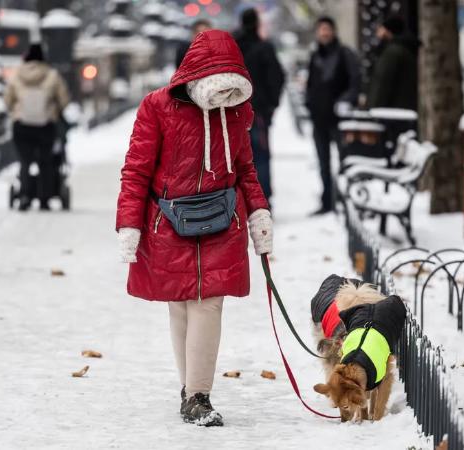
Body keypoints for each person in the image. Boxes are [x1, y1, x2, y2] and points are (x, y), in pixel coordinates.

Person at [115, 30, 273, 427]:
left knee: (208, 303)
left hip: (223, 220)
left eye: (232, 89)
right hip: (169, 221)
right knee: (182, 303)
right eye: (218, 87)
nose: (225, 97)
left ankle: (199, 395)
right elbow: (136, 170)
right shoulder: (157, 107)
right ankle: (190, 391)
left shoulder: (237, 111)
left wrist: (259, 215)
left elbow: (246, 169)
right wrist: (129, 223)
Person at [305, 16, 361, 215]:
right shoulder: (315, 56)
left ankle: (348, 202)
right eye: (321, 29)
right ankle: (327, 201)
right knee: (323, 163)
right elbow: (311, 84)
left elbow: (355, 82)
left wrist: (346, 100)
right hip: (319, 119)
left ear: (334, 31)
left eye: (327, 29)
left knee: (346, 161)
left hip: (340, 120)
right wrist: (309, 105)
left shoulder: (345, 54)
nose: (324, 33)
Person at [4, 43, 70, 211]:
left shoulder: (17, 74)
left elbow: (8, 101)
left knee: (25, 161)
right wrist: (54, 110)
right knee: (45, 161)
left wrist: (18, 110)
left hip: (22, 126)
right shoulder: (52, 75)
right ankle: (44, 198)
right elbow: (64, 100)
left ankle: (25, 195)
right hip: (45, 126)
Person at [234, 8, 285, 204]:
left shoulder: (233, 47)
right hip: (258, 111)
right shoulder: (264, 48)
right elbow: (277, 77)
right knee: (261, 156)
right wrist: (272, 104)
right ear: (257, 23)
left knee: (236, 157)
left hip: (234, 111)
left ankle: (240, 200)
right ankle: (261, 200)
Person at [366, 15, 418, 111]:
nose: (378, 34)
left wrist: (372, 109)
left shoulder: (392, 52)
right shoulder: (405, 49)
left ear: (387, 31)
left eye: (380, 29)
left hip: (392, 111)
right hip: (403, 108)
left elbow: (382, 83)